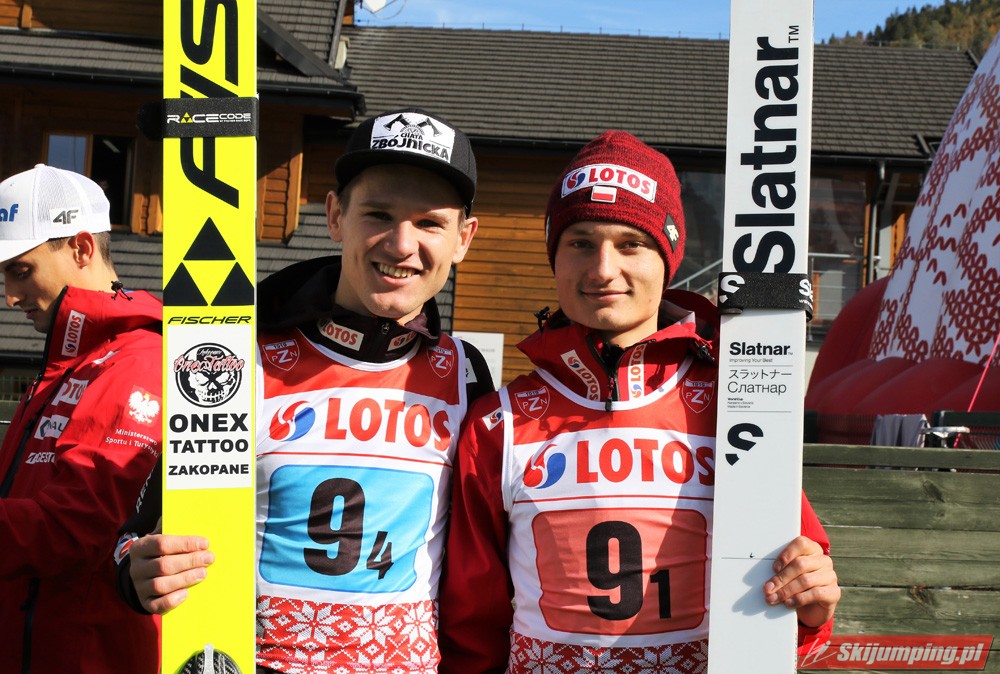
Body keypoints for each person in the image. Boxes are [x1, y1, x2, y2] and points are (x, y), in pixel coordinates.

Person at [438, 131, 841, 673]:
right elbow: (472, 621)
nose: (603, 270)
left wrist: (810, 605)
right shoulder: (498, 423)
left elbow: (798, 592)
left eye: (631, 244)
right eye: (580, 242)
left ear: (667, 259)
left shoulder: (736, 402)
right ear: (554, 256)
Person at [114, 108, 494, 673]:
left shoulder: (466, 374)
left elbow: (483, 568)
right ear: (335, 215)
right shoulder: (239, 359)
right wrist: (138, 570)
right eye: (378, 214)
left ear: (464, 238)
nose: (401, 244)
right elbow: (136, 535)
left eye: (429, 224)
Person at [0, 164, 162, 673]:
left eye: (20, 270)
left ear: (81, 248)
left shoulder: (139, 360)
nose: (9, 296)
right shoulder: (64, 364)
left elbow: (73, 529)